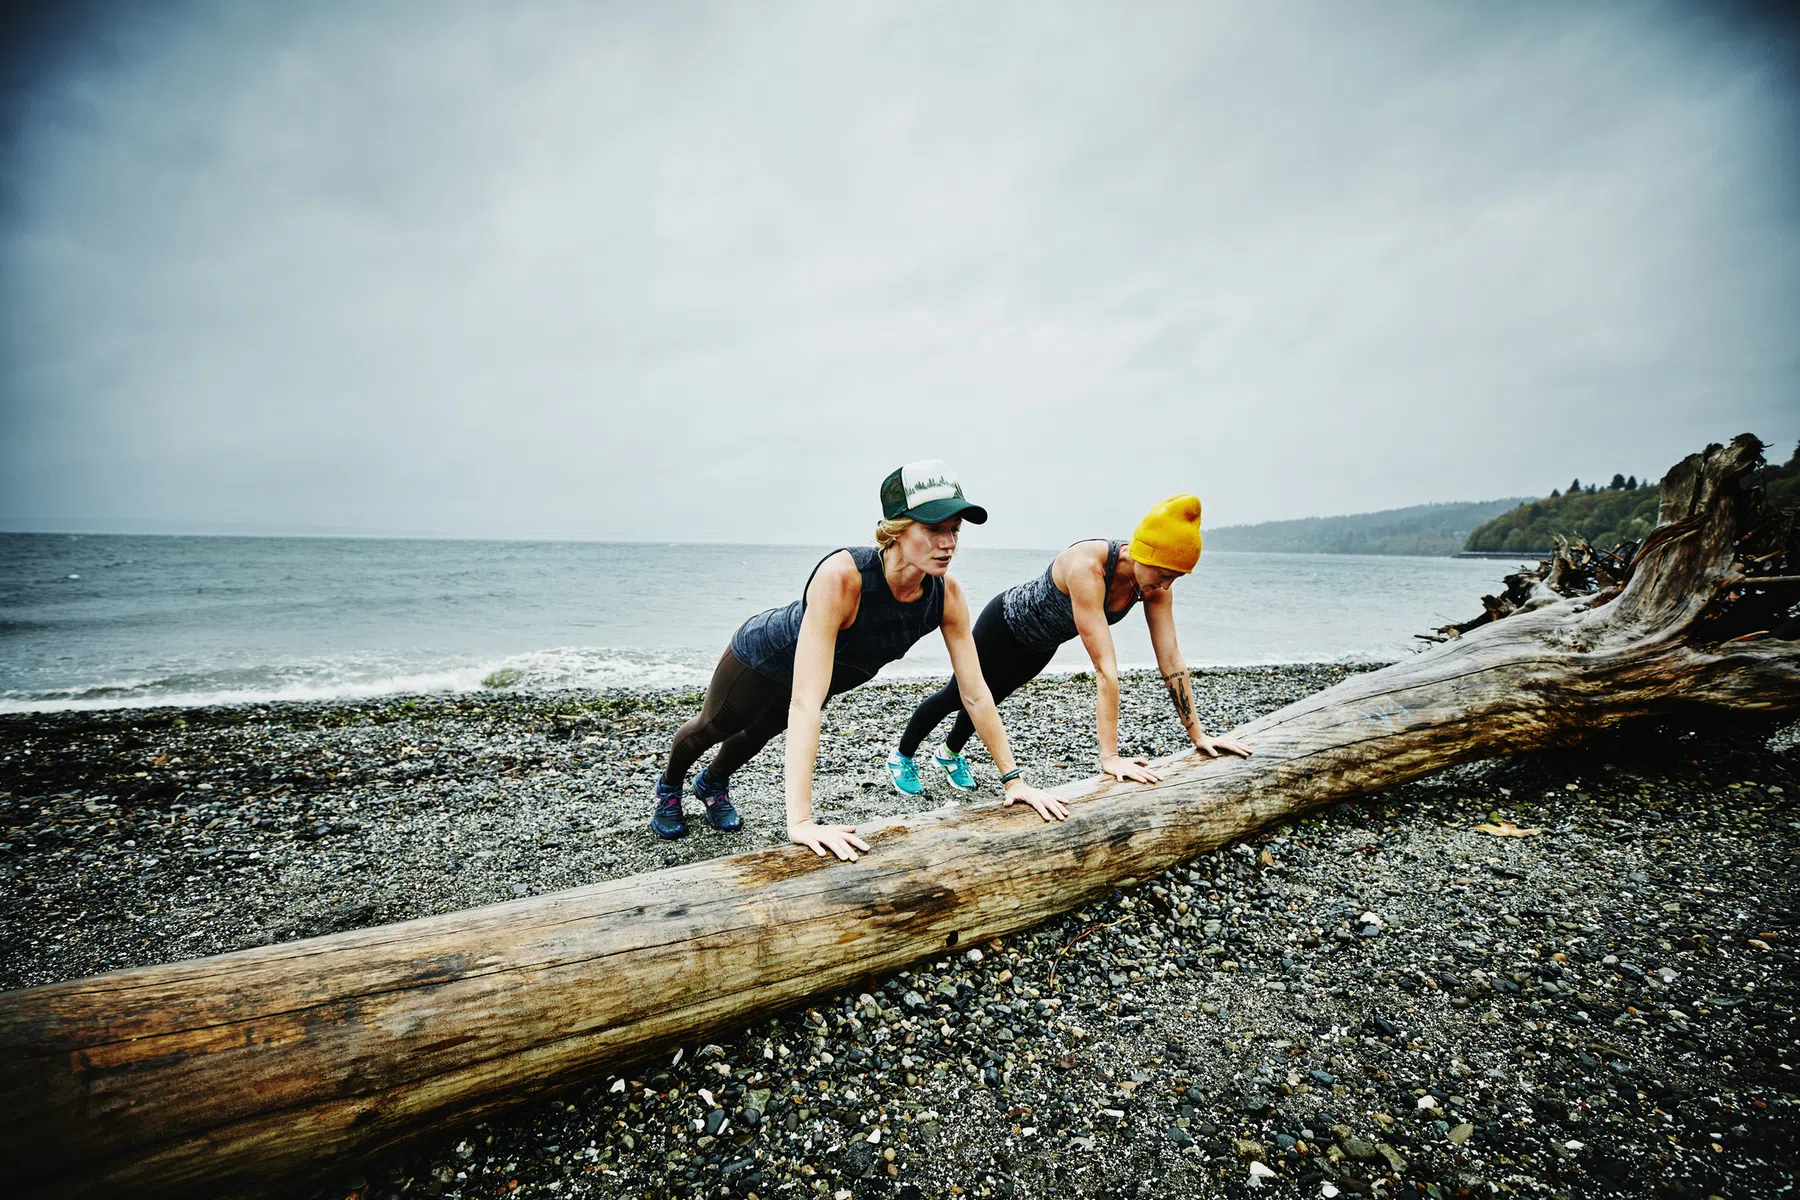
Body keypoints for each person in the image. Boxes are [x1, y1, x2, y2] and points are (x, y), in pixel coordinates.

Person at [652, 459, 1069, 861]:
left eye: (955, 530)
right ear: (897, 530)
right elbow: (805, 703)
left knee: (758, 735)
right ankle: (670, 785)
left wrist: (1015, 781)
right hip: (763, 658)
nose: (949, 544)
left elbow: (975, 694)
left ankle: (712, 783)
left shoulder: (946, 596)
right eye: (934, 529)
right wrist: (801, 822)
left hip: (822, 678)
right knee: (714, 726)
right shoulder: (843, 576)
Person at [887, 494, 1251, 794]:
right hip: (1004, 625)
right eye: (1165, 574)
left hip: (1042, 645)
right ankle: (902, 756)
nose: (1166, 585)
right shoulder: (1088, 567)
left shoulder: (1153, 587)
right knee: (960, 693)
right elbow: (1105, 668)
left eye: (1176, 578)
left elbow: (1171, 660)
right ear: (1143, 553)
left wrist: (1198, 735)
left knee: (994, 697)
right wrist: (1110, 758)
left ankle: (949, 754)